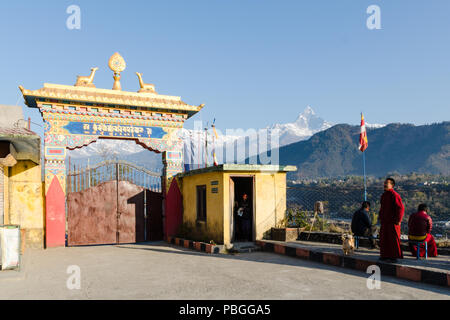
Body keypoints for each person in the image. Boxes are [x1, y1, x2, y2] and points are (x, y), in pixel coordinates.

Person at [378, 178, 404, 262]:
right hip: (385, 221)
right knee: (384, 239)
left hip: (393, 222)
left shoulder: (395, 195)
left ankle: (394, 256)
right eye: (384, 183)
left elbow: (400, 208)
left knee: (393, 239)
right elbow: (382, 208)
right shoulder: (384, 195)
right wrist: (380, 216)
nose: (384, 184)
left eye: (387, 183)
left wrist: (399, 220)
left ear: (392, 185)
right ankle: (384, 255)